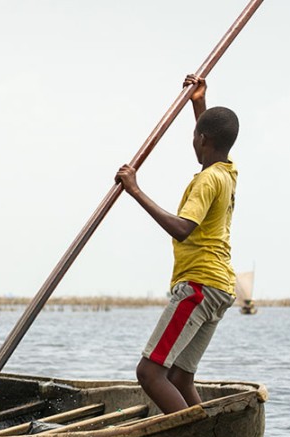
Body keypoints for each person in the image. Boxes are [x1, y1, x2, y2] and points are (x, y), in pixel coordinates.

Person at [115, 74, 239, 414]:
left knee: (150, 372)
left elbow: (183, 228)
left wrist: (134, 189)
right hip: (221, 287)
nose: (193, 142)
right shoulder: (227, 172)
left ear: (201, 140)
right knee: (181, 378)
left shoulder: (207, 180)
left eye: (194, 137)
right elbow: (212, 138)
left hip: (199, 285)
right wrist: (199, 103)